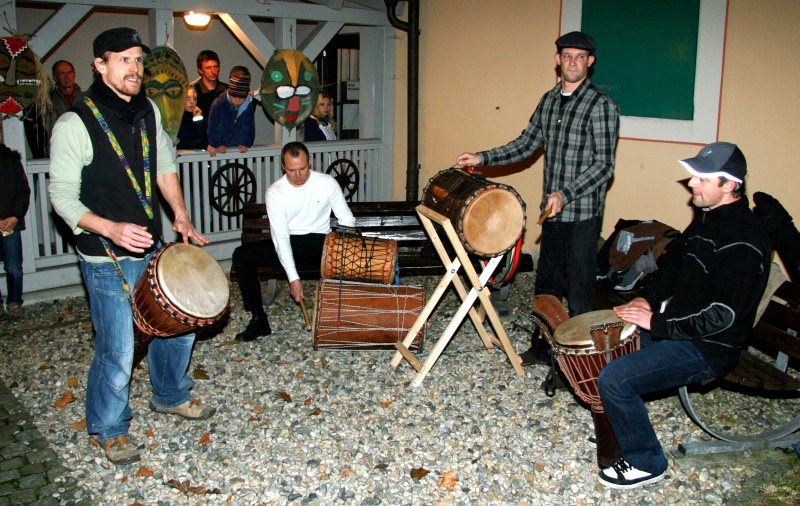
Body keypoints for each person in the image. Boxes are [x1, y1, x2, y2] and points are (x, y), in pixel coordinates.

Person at [48, 27, 216, 466]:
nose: (135, 68)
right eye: (123, 59)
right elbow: (61, 197)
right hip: (104, 254)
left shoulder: (148, 110)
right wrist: (111, 229)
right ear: (100, 65)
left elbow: (164, 165)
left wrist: (180, 212)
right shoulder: (75, 122)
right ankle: (110, 427)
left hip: (150, 244)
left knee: (179, 324)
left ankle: (169, 394)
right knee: (119, 347)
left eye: (138, 59)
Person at [597, 142, 771, 489]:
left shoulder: (744, 240)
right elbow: (674, 266)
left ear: (729, 185)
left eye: (703, 179)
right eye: (694, 176)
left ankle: (646, 462)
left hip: (709, 347)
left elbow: (722, 316)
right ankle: (626, 426)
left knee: (615, 380)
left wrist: (656, 323)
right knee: (606, 346)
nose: (692, 184)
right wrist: (646, 299)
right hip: (678, 328)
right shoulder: (707, 219)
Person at [456, 31, 619, 366]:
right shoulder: (549, 100)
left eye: (580, 57)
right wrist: (483, 157)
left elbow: (604, 166)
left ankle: (578, 362)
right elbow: (526, 144)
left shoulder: (601, 106)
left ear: (589, 62)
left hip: (583, 214)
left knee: (580, 290)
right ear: (558, 60)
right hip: (553, 213)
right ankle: (543, 349)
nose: (573, 62)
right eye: (567, 56)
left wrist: (565, 194)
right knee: (546, 284)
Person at [231, 141, 355, 341]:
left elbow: (346, 218)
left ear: (310, 162)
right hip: (289, 243)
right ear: (283, 167)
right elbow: (281, 238)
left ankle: (348, 314)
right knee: (242, 255)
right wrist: (293, 278)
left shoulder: (326, 183)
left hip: (320, 243)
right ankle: (258, 319)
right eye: (291, 170)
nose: (298, 175)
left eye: (302, 168)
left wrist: (341, 245)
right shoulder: (276, 192)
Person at [0, 144, 30, 321]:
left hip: (11, 223)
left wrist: (16, 216)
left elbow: (23, 190)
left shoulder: (11, 159)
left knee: (14, 267)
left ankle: (15, 302)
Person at [206, 66, 255, 156]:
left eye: (241, 97)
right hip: (219, 151)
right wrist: (217, 144)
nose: (237, 100)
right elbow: (212, 128)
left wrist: (245, 143)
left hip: (238, 151)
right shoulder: (218, 104)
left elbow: (249, 127)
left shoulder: (248, 106)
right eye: (234, 96)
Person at [191, 50, 227, 120]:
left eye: (215, 67)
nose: (213, 71)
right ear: (200, 70)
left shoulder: (227, 90)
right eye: (208, 68)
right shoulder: (194, 93)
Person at [50, 60, 85, 127]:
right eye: (62, 73)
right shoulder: (50, 102)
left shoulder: (85, 99)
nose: (67, 77)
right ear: (55, 78)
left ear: (74, 74)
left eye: (69, 72)